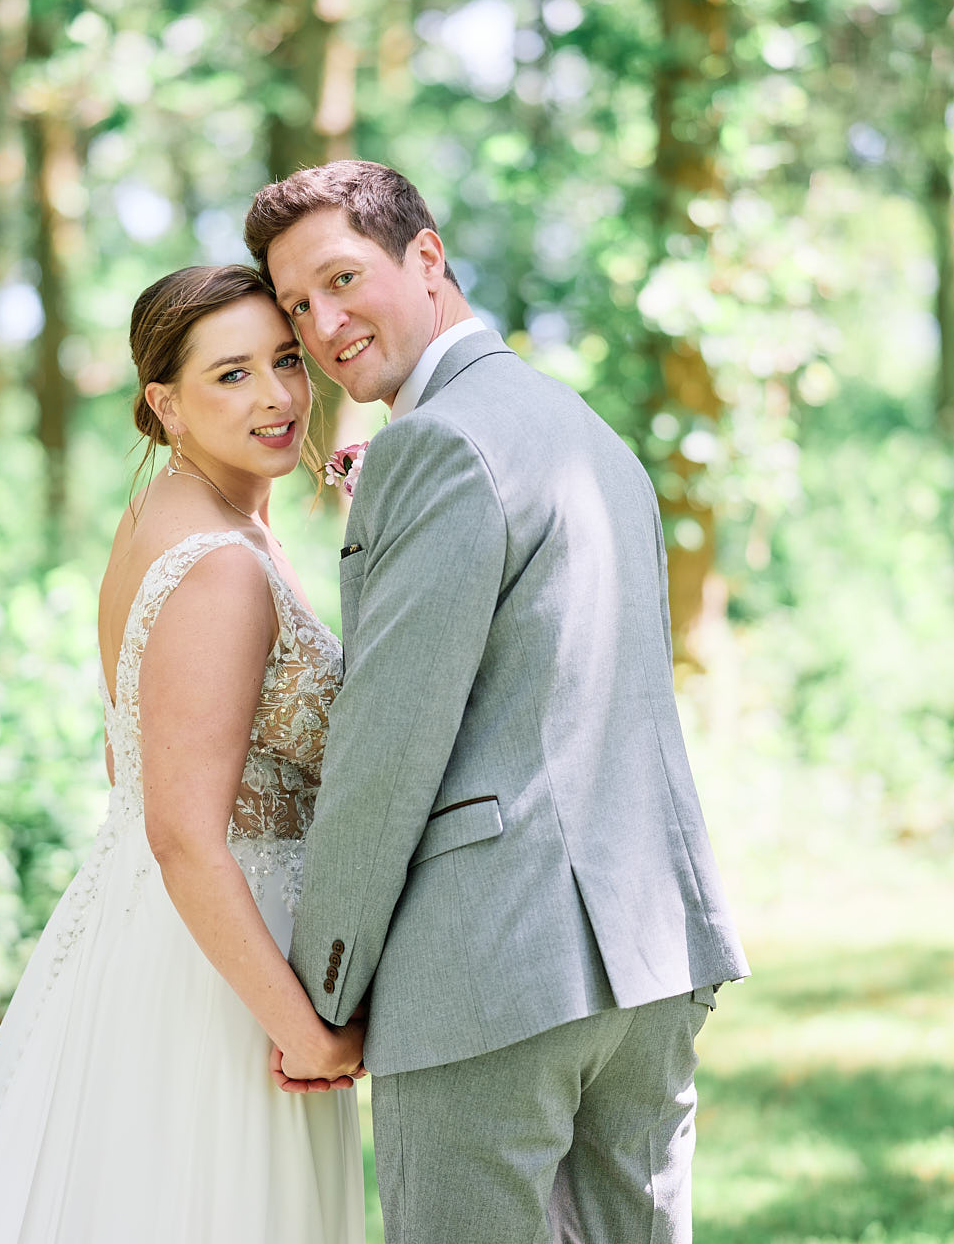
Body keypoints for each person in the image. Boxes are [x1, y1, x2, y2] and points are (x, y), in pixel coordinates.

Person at [246, 160, 750, 1244]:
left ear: (425, 256)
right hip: (649, 953)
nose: (322, 326)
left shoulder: (433, 444)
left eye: (342, 279)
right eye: (296, 305)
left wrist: (319, 995)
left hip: (489, 969)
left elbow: (388, 747)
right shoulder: (586, 432)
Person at [0, 264, 365, 1244]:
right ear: (165, 403)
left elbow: (131, 763)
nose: (277, 395)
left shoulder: (168, 515)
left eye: (285, 360)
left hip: (158, 930)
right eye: (231, 374)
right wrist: (304, 1032)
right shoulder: (220, 567)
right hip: (222, 972)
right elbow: (182, 831)